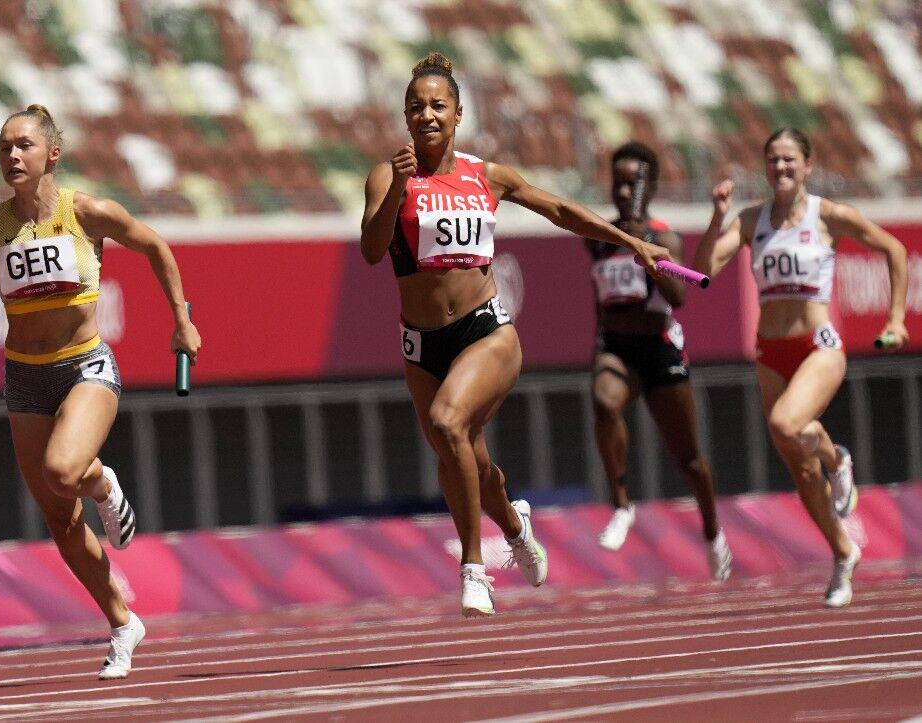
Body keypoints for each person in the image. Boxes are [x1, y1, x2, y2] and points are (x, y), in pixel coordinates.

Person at [360, 53, 672, 617]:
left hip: (485, 332)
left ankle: (475, 569)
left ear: (458, 115)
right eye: (415, 107)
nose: (426, 115)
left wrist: (633, 244)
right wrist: (399, 188)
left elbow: (558, 209)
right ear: (405, 117)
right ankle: (516, 525)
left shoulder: (487, 176)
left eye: (438, 105)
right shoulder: (388, 176)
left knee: (447, 422)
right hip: (422, 346)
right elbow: (371, 249)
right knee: (469, 462)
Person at [0, 104, 201, 676]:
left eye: (24, 145)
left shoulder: (87, 212)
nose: (12, 155)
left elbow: (156, 246)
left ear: (52, 153)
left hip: (84, 365)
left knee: (65, 471)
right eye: (4, 146)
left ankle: (103, 481)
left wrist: (181, 320)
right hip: (24, 375)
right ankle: (123, 623)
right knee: (59, 518)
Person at [693, 127, 908, 607]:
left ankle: (839, 458)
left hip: (819, 345)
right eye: (773, 160)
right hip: (770, 352)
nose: (781, 168)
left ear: (808, 166)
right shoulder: (752, 221)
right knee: (801, 472)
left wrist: (895, 318)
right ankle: (843, 552)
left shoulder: (827, 215)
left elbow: (893, 250)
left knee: (786, 423)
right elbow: (705, 270)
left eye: (790, 160)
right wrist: (715, 218)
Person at [587, 142, 732, 581]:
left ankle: (712, 530)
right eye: (618, 181)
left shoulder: (664, 238)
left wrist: (650, 257)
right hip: (616, 348)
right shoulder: (598, 238)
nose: (624, 189)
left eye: (633, 181)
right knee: (604, 400)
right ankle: (621, 505)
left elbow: (679, 297)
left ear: (649, 188)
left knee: (687, 458)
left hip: (659, 350)